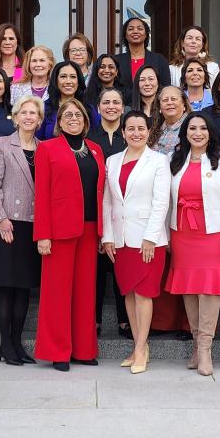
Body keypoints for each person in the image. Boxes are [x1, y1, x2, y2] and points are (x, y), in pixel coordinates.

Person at [33, 98, 105, 371]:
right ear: (59, 121)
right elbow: (41, 194)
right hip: (58, 231)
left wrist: (102, 232)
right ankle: (58, 352)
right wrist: (43, 235)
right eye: (68, 115)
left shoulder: (97, 150)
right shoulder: (48, 149)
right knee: (57, 293)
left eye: (78, 114)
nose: (73, 118)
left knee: (85, 292)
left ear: (86, 121)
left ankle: (84, 349)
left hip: (89, 229)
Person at [164, 112, 220, 375]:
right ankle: (196, 344)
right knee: (189, 289)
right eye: (192, 128)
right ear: (185, 133)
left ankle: (206, 348)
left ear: (211, 132)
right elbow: (166, 202)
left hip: (212, 234)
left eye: (203, 128)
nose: (197, 133)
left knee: (209, 290)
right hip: (183, 234)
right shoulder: (174, 161)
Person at [102, 110, 170, 374]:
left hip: (146, 239)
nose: (136, 133)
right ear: (123, 132)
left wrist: (151, 237)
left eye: (141, 128)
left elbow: (161, 202)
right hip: (120, 239)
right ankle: (137, 345)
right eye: (131, 128)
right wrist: (108, 236)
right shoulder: (112, 160)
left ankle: (141, 347)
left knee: (143, 294)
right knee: (128, 292)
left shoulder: (158, 161)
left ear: (148, 131)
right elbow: (108, 201)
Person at [0, 96, 44, 366]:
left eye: (34, 113)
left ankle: (18, 342)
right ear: (16, 116)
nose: (29, 116)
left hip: (33, 226)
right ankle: (5, 343)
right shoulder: (2, 144)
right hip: (8, 224)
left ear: (40, 119)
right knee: (5, 287)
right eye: (25, 112)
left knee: (23, 288)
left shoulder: (44, 148)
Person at [147, 86, 192, 337]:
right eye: (165, 100)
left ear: (184, 103)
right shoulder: (155, 130)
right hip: (158, 204)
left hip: (184, 201)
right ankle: (163, 321)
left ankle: (187, 322)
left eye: (174, 98)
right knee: (162, 262)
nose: (170, 103)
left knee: (183, 262)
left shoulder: (192, 127)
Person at [87, 88, 130, 339]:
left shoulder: (130, 136)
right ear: (99, 107)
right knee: (95, 271)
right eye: (106, 102)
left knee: (121, 267)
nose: (111, 106)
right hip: (96, 209)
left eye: (116, 102)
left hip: (123, 210)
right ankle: (94, 319)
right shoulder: (90, 137)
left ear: (123, 107)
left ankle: (125, 319)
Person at [37, 61, 97, 140]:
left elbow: (96, 137)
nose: (68, 81)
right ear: (56, 80)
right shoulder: (44, 108)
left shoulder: (88, 108)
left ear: (78, 81)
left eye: (73, 77)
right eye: (63, 76)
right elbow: (37, 140)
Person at [114, 17, 171, 91]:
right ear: (125, 35)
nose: (135, 31)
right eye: (131, 29)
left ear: (146, 34)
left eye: (140, 29)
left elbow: (165, 89)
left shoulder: (159, 60)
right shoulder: (116, 61)